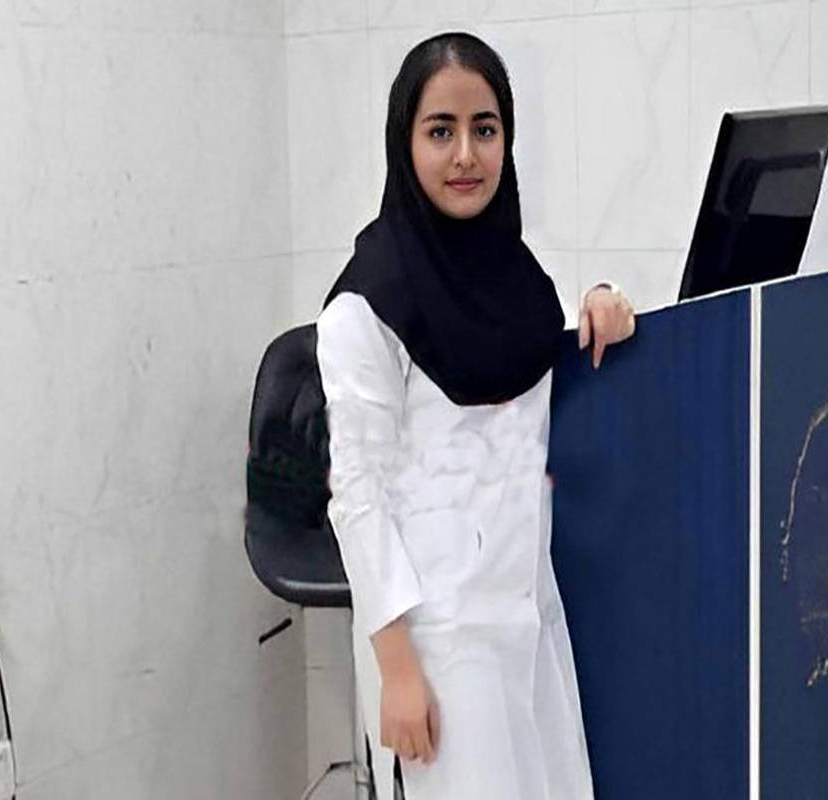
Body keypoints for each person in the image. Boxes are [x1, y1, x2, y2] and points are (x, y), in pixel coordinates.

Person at [314, 31, 636, 799]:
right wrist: (398, 670)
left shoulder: (515, 277)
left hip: (527, 614)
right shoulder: (365, 306)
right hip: (439, 641)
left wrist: (602, 305)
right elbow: (357, 498)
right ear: (405, 143)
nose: (466, 155)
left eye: (484, 129)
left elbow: (529, 376)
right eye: (440, 131)